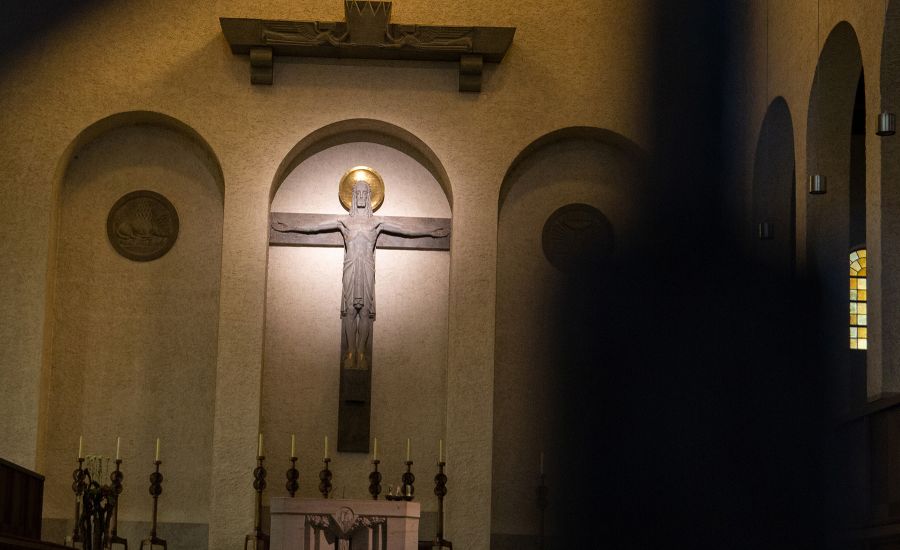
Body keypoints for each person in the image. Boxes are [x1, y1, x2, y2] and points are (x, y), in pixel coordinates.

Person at [272, 181, 449, 369]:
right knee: (350, 311)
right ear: (354, 196)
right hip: (350, 266)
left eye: (365, 193)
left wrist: (430, 233)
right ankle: (350, 351)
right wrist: (290, 227)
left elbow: (405, 230)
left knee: (364, 311)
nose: (362, 196)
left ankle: (362, 352)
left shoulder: (377, 222)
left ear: (370, 196)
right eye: (359, 193)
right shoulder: (344, 221)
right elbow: (314, 227)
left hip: (366, 267)